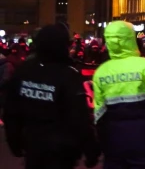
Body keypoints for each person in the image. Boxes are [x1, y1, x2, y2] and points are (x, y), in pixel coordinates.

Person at [2, 24, 101, 169]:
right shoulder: (68, 75)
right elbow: (79, 118)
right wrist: (91, 150)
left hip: (33, 146)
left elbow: (11, 110)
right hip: (62, 151)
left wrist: (14, 140)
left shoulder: (24, 71)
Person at [91, 21, 145, 169]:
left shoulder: (101, 72)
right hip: (144, 140)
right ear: (131, 39)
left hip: (114, 142)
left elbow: (99, 114)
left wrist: (101, 145)